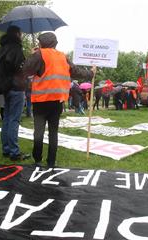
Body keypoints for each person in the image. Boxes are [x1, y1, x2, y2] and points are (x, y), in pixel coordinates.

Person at [23, 32, 96, 168]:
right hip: (57, 101)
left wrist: (31, 55)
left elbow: (25, 71)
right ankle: (51, 162)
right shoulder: (63, 57)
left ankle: (37, 159)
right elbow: (77, 72)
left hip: (40, 101)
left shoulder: (39, 55)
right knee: (53, 132)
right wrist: (91, 73)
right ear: (55, 43)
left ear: (41, 43)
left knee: (38, 132)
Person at [0, 25, 29, 161]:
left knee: (7, 119)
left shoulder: (1, 49)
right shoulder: (16, 48)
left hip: (5, 87)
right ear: (16, 34)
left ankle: (6, 149)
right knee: (14, 119)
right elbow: (19, 68)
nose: (21, 35)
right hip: (16, 87)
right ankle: (14, 152)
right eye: (20, 33)